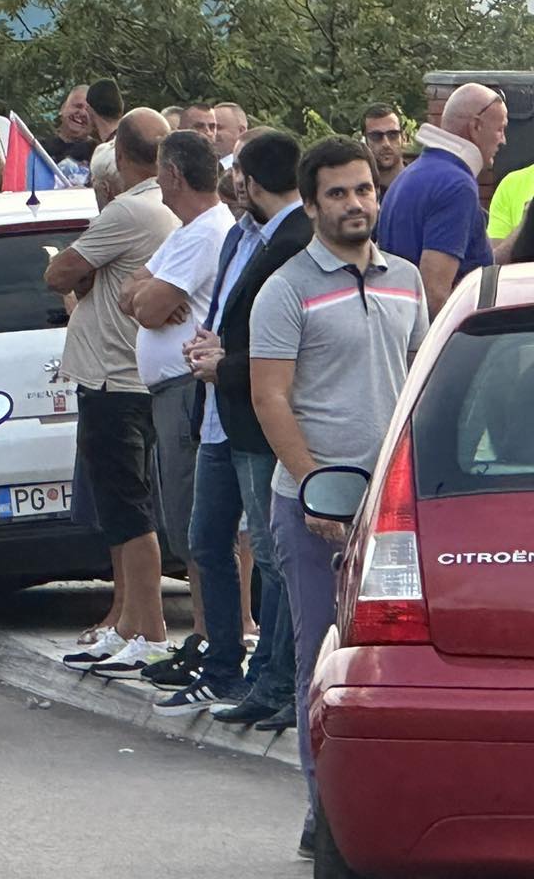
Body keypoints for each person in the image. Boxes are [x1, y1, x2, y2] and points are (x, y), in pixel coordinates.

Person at [250, 136, 428, 859]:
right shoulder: (285, 289)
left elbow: (419, 385)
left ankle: (394, 809)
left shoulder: (407, 279)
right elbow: (269, 397)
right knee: (322, 665)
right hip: (313, 510)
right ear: (310, 204)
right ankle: (324, 815)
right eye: (338, 194)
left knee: (394, 667)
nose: (356, 204)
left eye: (364, 190)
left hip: (395, 511)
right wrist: (316, 490)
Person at [45, 109, 178, 675]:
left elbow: (58, 274)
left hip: (114, 379)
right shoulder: (167, 208)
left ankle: (150, 629)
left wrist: (80, 269)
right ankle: (126, 622)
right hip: (132, 376)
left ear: (120, 156)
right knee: (123, 508)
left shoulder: (129, 209)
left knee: (130, 510)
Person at [184, 130, 308, 735]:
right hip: (221, 413)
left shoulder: (294, 241)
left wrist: (224, 364)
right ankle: (231, 665)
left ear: (250, 182)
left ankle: (273, 677)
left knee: (273, 554)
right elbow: (231, 313)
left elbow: (285, 346)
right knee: (211, 540)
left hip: (257, 421)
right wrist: (211, 348)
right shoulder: (245, 233)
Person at [118, 129, 234, 705]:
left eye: (160, 175)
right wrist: (147, 294)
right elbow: (131, 293)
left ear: (173, 175)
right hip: (171, 391)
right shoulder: (186, 233)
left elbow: (149, 306)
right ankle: (207, 639)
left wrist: (150, 296)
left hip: (189, 390)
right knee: (187, 520)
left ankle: (215, 640)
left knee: (198, 523)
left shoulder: (206, 232)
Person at [375, 81, 514, 316]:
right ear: (476, 126)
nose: (503, 140)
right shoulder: (457, 185)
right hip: (435, 335)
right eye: (500, 129)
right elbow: (435, 296)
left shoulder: (409, 175)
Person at [360, 103, 409, 197]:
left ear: (404, 138)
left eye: (393, 134)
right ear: (364, 141)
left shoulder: (422, 183)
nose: (386, 144)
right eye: (376, 136)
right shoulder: (358, 190)